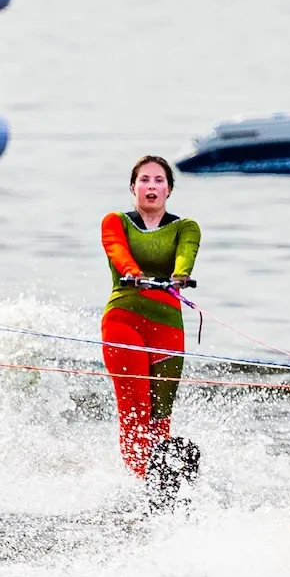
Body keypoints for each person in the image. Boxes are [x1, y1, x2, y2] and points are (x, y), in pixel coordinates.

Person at [99, 155, 200, 482]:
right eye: (144, 180)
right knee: (136, 409)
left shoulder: (185, 227)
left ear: (169, 189)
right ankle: (138, 480)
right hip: (123, 320)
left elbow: (186, 252)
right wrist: (133, 273)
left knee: (161, 415)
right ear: (133, 187)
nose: (151, 186)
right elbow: (116, 249)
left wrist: (181, 275)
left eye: (159, 180)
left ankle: (160, 481)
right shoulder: (116, 222)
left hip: (168, 328)